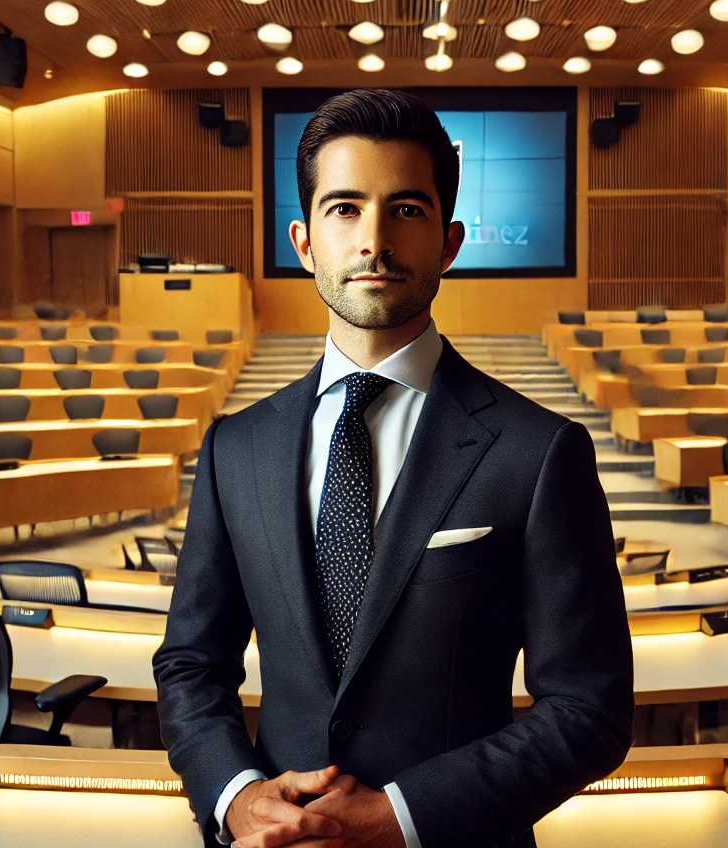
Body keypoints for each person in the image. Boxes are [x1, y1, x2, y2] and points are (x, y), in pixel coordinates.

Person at [154, 89, 632, 848]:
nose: (374, 239)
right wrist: (238, 797)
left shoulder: (540, 451)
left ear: (448, 242)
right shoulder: (233, 447)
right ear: (304, 240)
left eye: (405, 209)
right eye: (345, 208)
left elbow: (589, 707)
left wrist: (398, 817)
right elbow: (191, 663)